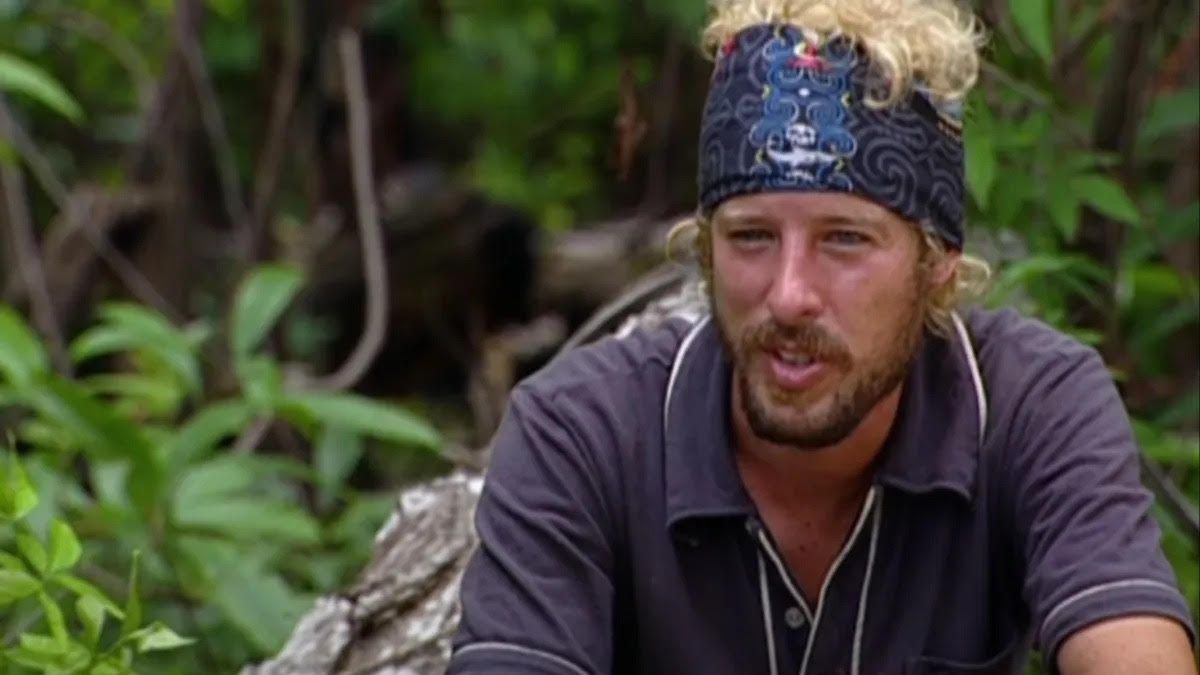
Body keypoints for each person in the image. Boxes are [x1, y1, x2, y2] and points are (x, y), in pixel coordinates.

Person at [448, 1, 1198, 673]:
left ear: (937, 263)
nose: (789, 296)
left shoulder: (1028, 406)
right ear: (707, 252)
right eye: (751, 237)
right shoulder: (583, 433)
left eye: (844, 240)